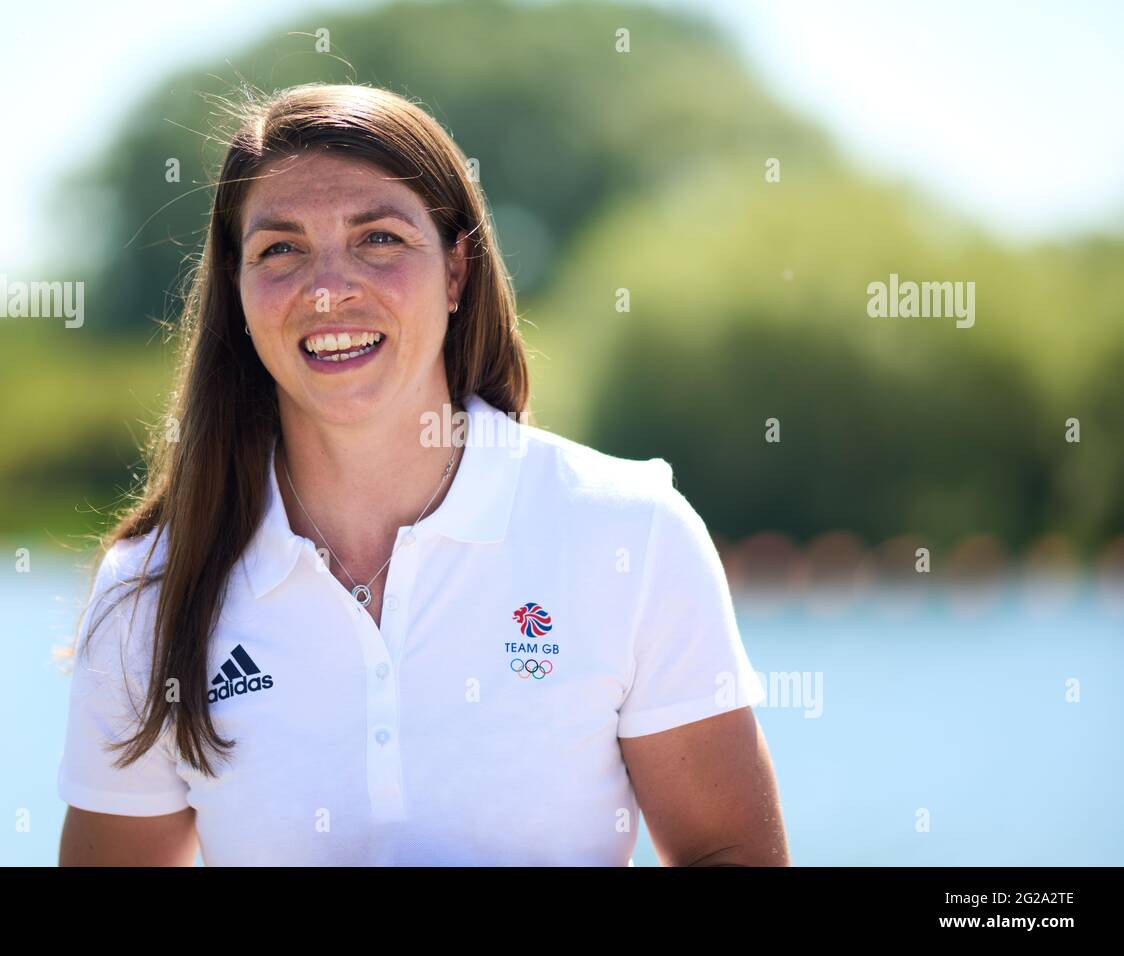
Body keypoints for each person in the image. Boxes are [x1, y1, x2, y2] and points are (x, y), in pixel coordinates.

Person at [57, 82, 789, 866]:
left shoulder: (632, 532)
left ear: (455, 271)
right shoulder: (150, 594)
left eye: (378, 239)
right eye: (280, 249)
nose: (329, 289)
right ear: (237, 291)